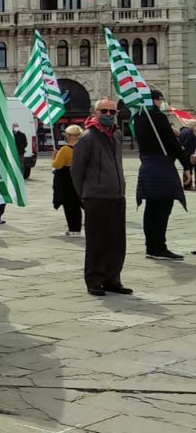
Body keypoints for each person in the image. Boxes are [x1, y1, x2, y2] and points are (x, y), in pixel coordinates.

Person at [72, 98, 132, 296]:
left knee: (116, 241)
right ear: (95, 112)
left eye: (112, 112)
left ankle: (112, 278)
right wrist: (84, 194)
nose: (108, 115)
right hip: (95, 197)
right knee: (97, 240)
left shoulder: (116, 134)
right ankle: (95, 279)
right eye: (104, 111)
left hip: (116, 196)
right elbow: (76, 170)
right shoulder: (87, 137)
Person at [134, 89, 187, 261]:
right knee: (163, 208)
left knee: (151, 208)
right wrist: (186, 164)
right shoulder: (157, 117)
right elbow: (171, 143)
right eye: (160, 99)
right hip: (161, 167)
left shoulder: (138, 118)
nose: (162, 103)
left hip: (147, 166)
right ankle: (159, 248)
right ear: (155, 100)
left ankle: (151, 247)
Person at [52, 124, 84, 237]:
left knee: (70, 206)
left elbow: (57, 165)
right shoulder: (83, 147)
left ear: (69, 135)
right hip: (79, 178)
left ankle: (73, 229)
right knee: (78, 204)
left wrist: (55, 157)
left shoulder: (65, 149)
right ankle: (77, 228)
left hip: (66, 180)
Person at [180, 120, 196, 190]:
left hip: (185, 154)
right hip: (191, 153)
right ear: (192, 125)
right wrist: (184, 147)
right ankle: (189, 185)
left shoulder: (182, 131)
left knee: (186, 169)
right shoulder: (190, 132)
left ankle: (186, 185)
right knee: (191, 169)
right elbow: (188, 141)